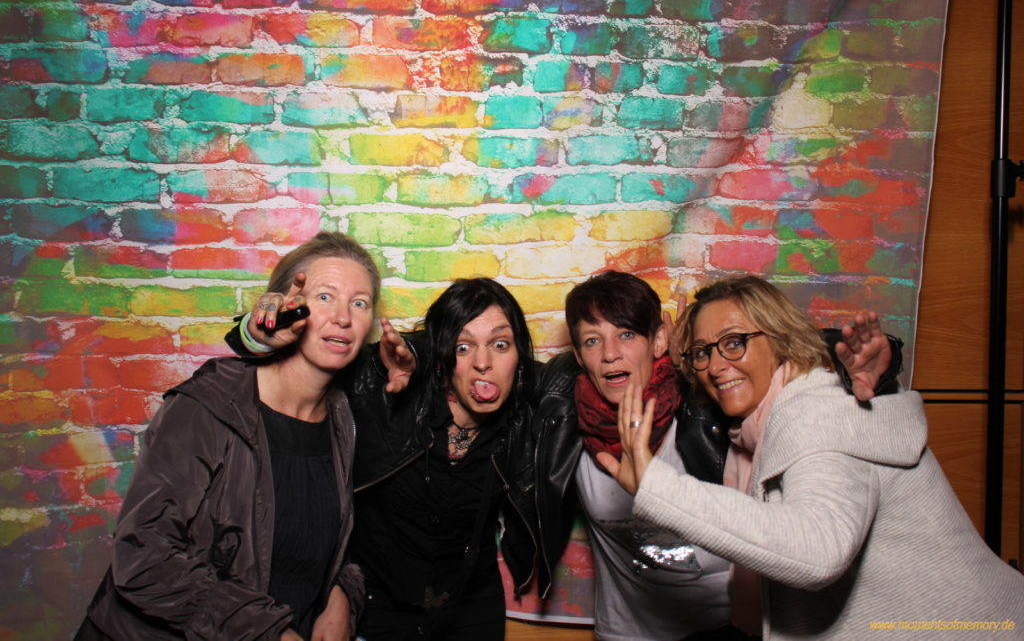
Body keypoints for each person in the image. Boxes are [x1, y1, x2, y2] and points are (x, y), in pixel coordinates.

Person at [602, 274, 1024, 638]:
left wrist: (659, 488)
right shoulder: (757, 426)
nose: (715, 365)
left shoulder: (818, 412)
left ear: (781, 340)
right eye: (703, 352)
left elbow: (818, 551)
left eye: (734, 343)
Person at [533, 271, 902, 640]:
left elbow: (780, 347)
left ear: (658, 340)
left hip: (731, 625)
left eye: (627, 334)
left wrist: (869, 364)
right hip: (627, 632)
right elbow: (510, 372)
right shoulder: (563, 414)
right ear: (579, 355)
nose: (610, 354)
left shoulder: (708, 402)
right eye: (593, 340)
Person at [76, 231, 380, 640]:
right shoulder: (210, 405)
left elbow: (315, 540)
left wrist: (343, 592)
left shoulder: (342, 419)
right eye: (325, 296)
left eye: (359, 303)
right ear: (286, 304)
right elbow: (144, 557)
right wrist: (265, 631)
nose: (343, 317)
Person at [231, 277, 573, 640]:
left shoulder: (529, 413)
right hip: (373, 608)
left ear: (519, 355)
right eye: (462, 347)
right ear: (440, 354)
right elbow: (270, 366)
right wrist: (256, 331)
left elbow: (577, 371)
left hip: (469, 610)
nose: (483, 363)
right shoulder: (385, 387)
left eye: (501, 344)